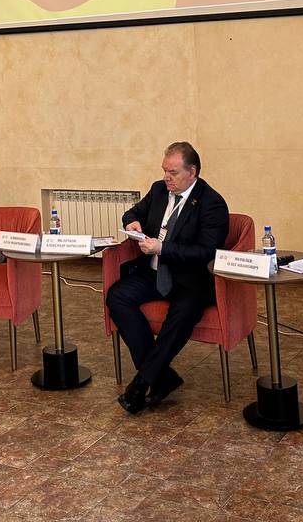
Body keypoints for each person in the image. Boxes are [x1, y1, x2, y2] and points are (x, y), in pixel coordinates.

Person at [106, 141, 229, 414]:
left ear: (192, 172)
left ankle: (142, 383)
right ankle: (162, 378)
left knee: (182, 313)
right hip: (153, 272)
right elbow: (133, 212)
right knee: (117, 296)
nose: (166, 177)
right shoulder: (159, 190)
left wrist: (163, 248)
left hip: (191, 279)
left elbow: (207, 251)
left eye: (173, 172)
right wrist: (131, 223)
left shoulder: (212, 203)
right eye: (164, 170)